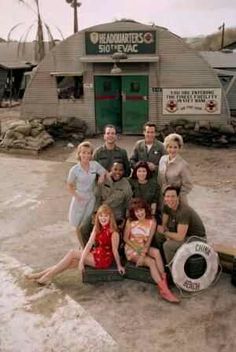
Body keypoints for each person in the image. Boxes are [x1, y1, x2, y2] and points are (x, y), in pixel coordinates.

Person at [26, 205, 125, 284]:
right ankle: (40, 275)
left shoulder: (113, 232)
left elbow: (115, 251)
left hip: (104, 259)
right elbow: (89, 244)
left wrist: (119, 266)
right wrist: (81, 260)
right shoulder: (97, 228)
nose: (103, 218)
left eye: (106, 216)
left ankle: (46, 277)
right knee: (70, 262)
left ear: (110, 217)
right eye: (101, 216)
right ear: (98, 217)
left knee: (72, 253)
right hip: (96, 253)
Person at [124, 198, 179, 303]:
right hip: (132, 248)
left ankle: (164, 283)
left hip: (144, 246)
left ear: (145, 209)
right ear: (133, 212)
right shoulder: (130, 221)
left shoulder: (152, 221)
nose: (139, 213)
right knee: (151, 262)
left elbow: (149, 240)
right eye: (136, 211)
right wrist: (140, 253)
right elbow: (126, 239)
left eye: (141, 210)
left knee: (157, 252)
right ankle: (165, 291)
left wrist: (143, 253)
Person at [80, 161, 133, 245]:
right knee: (83, 228)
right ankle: (88, 250)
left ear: (124, 171)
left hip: (115, 215)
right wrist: (95, 212)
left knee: (105, 234)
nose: (118, 172)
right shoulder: (104, 180)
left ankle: (102, 251)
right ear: (110, 169)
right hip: (100, 212)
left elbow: (128, 203)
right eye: (115, 169)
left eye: (120, 170)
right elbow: (97, 197)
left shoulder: (126, 185)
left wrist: (126, 220)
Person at [67, 141, 106, 246]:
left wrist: (101, 177)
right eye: (83, 152)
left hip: (91, 197)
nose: (86, 155)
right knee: (78, 224)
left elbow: (103, 172)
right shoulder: (75, 170)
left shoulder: (94, 165)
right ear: (79, 153)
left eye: (89, 153)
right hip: (79, 197)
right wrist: (77, 196)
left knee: (87, 222)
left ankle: (88, 243)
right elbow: (69, 185)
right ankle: (82, 245)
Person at [156, 186, 206, 264]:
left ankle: (172, 269)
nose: (170, 199)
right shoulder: (167, 206)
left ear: (178, 197)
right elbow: (164, 225)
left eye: (173, 196)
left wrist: (165, 233)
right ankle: (163, 261)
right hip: (184, 235)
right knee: (158, 236)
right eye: (167, 196)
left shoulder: (184, 211)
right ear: (164, 198)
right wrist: (164, 231)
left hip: (196, 239)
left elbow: (180, 237)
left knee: (168, 245)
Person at [158, 133, 192, 203]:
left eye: (175, 147)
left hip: (178, 200)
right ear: (166, 147)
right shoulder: (162, 159)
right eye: (170, 147)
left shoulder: (183, 165)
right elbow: (160, 180)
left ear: (179, 148)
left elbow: (188, 185)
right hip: (163, 198)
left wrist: (176, 197)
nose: (172, 150)